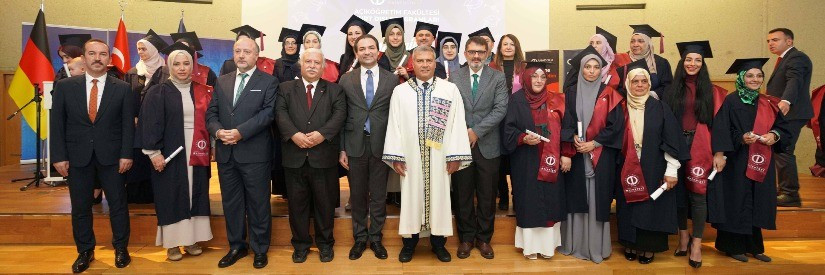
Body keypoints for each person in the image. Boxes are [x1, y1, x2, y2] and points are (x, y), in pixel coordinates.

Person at [50, 38, 134, 273]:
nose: (97, 58)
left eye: (103, 54)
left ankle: (121, 248)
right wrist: (58, 156)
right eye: (92, 54)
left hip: (114, 157)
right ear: (84, 58)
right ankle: (85, 251)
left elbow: (128, 125)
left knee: (118, 205)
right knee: (80, 207)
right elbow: (57, 125)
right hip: (77, 157)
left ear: (109, 59)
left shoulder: (123, 89)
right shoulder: (66, 87)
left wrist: (127, 154)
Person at [383, 45, 473, 263]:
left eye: (429, 61)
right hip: (411, 158)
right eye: (420, 61)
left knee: (440, 198)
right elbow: (393, 124)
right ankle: (410, 243)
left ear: (435, 63)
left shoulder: (448, 90)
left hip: (440, 158)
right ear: (412, 64)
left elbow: (457, 124)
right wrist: (395, 156)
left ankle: (438, 244)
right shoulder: (400, 91)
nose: (424, 64)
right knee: (411, 197)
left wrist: (455, 156)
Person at [710, 58, 794, 263]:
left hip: (761, 161)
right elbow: (721, 128)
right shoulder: (731, 100)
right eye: (750, 76)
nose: (755, 79)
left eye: (759, 76)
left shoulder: (768, 102)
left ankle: (754, 246)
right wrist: (740, 138)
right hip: (737, 160)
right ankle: (733, 246)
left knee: (756, 199)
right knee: (737, 199)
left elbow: (784, 128)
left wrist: (774, 135)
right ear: (741, 78)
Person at [206, 36, 279, 269]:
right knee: (232, 203)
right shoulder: (222, 81)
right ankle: (236, 246)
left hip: (255, 154)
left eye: (247, 51)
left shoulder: (269, 82)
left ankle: (259, 249)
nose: (241, 55)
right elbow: (211, 113)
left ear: (257, 55)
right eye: (238, 51)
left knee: (258, 203)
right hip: (226, 154)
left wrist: (240, 132)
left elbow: (268, 114)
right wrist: (218, 133)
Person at [140, 42, 213, 261]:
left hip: (197, 148)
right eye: (177, 64)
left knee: (195, 192)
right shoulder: (158, 92)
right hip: (170, 151)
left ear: (193, 65)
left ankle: (191, 240)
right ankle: (172, 243)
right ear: (169, 66)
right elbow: (149, 124)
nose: (182, 68)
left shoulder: (201, 91)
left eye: (186, 63)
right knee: (171, 194)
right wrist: (154, 153)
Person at [276, 48, 346, 263]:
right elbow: (280, 113)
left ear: (323, 66)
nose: (313, 65)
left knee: (325, 205)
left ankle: (325, 245)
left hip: (323, 157)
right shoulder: (285, 88)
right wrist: (294, 135)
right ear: (301, 64)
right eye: (308, 61)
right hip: (294, 157)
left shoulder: (335, 90)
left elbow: (339, 115)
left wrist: (322, 135)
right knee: (297, 205)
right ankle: (300, 244)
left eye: (317, 62)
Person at [615, 63, 686, 265]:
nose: (639, 85)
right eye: (635, 81)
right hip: (626, 165)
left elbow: (672, 139)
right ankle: (629, 243)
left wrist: (672, 170)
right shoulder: (620, 108)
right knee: (628, 204)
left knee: (650, 206)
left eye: (644, 81)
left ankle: (648, 247)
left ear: (649, 83)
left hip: (654, 166)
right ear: (628, 83)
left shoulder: (660, 107)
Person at [665, 41, 727, 268]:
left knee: (698, 195)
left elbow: (719, 125)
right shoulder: (671, 90)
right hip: (676, 144)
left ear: (703, 64)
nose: (692, 63)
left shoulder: (712, 91)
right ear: (682, 62)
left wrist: (719, 153)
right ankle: (683, 237)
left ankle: (697, 244)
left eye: (697, 60)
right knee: (679, 194)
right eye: (688, 59)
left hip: (702, 144)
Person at [558, 46, 622, 264]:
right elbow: (564, 122)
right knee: (576, 197)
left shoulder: (610, 94)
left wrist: (594, 143)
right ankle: (574, 244)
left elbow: (615, 127)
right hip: (576, 155)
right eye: (588, 67)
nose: (592, 71)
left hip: (600, 156)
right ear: (581, 69)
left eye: (596, 67)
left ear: (601, 70)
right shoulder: (571, 92)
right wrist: (572, 138)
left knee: (597, 200)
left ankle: (596, 247)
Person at [501, 61, 570, 260]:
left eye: (542, 76)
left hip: (551, 160)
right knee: (529, 201)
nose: (539, 80)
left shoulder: (557, 99)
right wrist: (523, 138)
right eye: (534, 76)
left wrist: (567, 153)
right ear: (526, 78)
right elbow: (508, 130)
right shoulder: (516, 100)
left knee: (551, 201)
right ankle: (530, 247)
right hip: (526, 161)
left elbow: (567, 127)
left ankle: (548, 247)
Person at [449, 36, 509, 260]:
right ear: (464, 54)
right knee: (463, 194)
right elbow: (450, 109)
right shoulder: (454, 77)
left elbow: (501, 108)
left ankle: (484, 239)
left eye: (480, 52)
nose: (476, 56)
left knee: (486, 195)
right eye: (472, 52)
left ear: (487, 54)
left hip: (488, 145)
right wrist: (464, 132)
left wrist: (476, 131)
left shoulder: (498, 77)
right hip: (460, 144)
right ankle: (466, 238)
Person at [338, 34, 397, 260]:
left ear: (377, 50)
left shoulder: (391, 80)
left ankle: (376, 238)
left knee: (379, 196)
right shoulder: (346, 80)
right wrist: (341, 148)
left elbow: (396, 117)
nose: (367, 52)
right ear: (356, 53)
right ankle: (360, 238)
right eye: (361, 49)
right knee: (358, 195)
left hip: (382, 144)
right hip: (355, 145)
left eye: (371, 48)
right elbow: (341, 116)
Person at [765, 28, 814, 207]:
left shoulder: (796, 57)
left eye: (775, 40)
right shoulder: (785, 59)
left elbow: (795, 79)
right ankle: (785, 190)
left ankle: (790, 194)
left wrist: (786, 100)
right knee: (781, 150)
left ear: (789, 41)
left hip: (791, 113)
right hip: (786, 113)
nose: (771, 43)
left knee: (784, 150)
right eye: (769, 40)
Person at [124, 29, 169, 205]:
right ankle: (136, 194)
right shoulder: (133, 72)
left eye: (144, 49)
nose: (141, 52)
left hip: (158, 125)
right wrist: (132, 116)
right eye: (139, 49)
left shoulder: (166, 72)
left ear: (153, 50)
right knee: (138, 158)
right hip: (136, 125)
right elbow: (127, 98)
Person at [488, 34, 526, 210]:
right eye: (505, 44)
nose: (509, 47)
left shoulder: (524, 67)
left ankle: (517, 195)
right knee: (500, 159)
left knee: (516, 159)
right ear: (500, 48)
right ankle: (502, 195)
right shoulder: (492, 67)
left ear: (516, 47)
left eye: (512, 44)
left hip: (518, 118)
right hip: (498, 118)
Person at [271, 27, 303, 198]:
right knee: (282, 152)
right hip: (282, 114)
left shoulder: (303, 62)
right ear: (283, 46)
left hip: (301, 113)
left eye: (294, 43)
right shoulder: (277, 64)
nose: (290, 46)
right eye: (287, 43)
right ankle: (283, 189)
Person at [378, 17, 407, 206]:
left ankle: (402, 191)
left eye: (398, 34)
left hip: (405, 110)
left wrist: (407, 75)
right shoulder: (379, 57)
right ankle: (389, 192)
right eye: (391, 34)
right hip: (383, 109)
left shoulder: (411, 56)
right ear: (386, 38)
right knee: (387, 147)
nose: (395, 37)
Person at [615, 25, 672, 98]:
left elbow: (668, 87)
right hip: (627, 105)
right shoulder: (622, 60)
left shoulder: (660, 62)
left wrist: (651, 94)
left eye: (640, 41)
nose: (635, 44)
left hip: (654, 105)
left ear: (648, 44)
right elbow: (617, 87)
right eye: (632, 41)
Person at [337, 15, 380, 80]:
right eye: (350, 34)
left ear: (364, 35)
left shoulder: (376, 57)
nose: (354, 37)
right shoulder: (344, 58)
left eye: (357, 33)